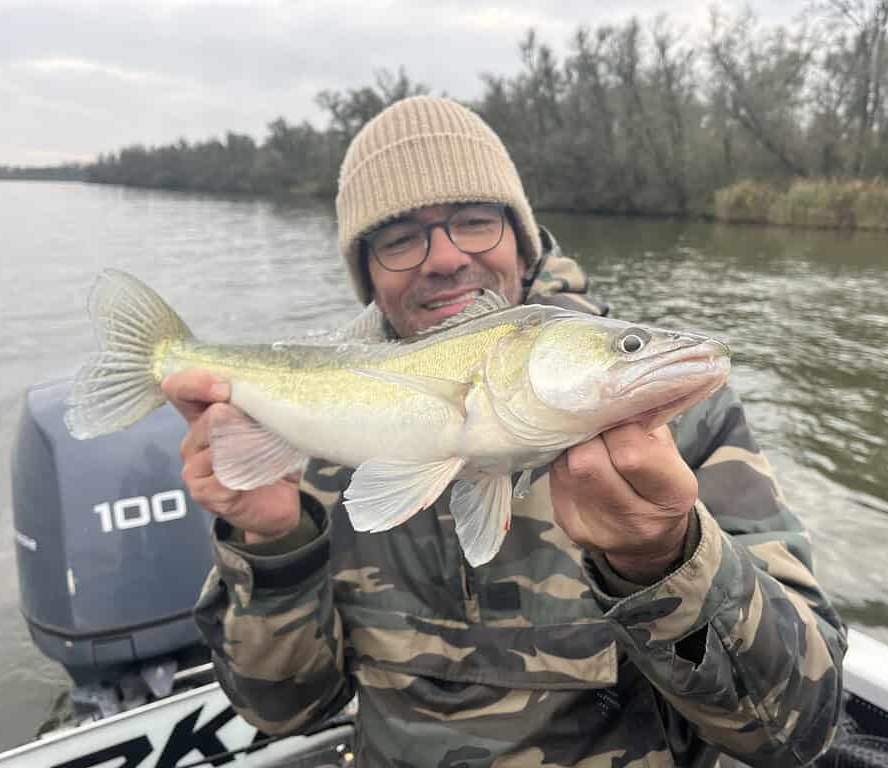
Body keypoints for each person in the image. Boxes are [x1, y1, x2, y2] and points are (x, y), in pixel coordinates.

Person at [166, 96, 847, 767]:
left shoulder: (675, 421)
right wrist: (274, 543)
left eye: (474, 220)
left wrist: (666, 558)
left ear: (522, 239)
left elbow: (800, 731)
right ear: (366, 275)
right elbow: (284, 713)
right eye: (400, 237)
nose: (443, 257)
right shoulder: (320, 445)